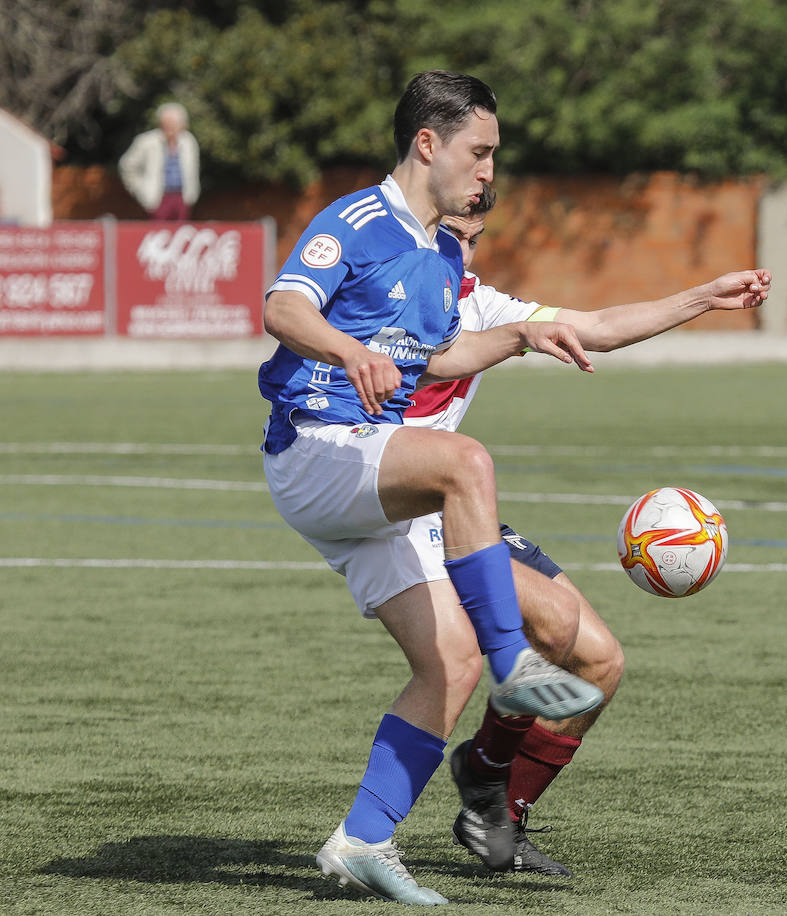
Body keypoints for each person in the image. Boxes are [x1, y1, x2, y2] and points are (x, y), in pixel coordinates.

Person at [258, 70, 608, 906]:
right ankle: (513, 659)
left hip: (366, 473)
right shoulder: (358, 220)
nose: (489, 171)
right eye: (479, 151)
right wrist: (347, 350)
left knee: (446, 664)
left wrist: (520, 334)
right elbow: (281, 308)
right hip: (317, 449)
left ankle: (362, 840)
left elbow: (443, 358)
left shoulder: (436, 255)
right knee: (466, 462)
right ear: (428, 144)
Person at [342, 193, 769, 879]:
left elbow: (595, 324)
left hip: (460, 509)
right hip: (396, 510)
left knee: (599, 663)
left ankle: (493, 811)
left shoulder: (478, 305)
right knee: (550, 627)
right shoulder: (369, 299)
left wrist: (702, 298)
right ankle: (464, 781)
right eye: (449, 234)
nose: (460, 252)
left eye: (473, 239)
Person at [118, 102, 200, 220]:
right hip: (158, 198)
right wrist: (140, 189)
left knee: (180, 233)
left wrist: (192, 195)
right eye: (167, 125)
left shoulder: (189, 142)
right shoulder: (147, 141)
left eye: (173, 125)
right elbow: (127, 166)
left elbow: (193, 170)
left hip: (182, 197)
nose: (170, 128)